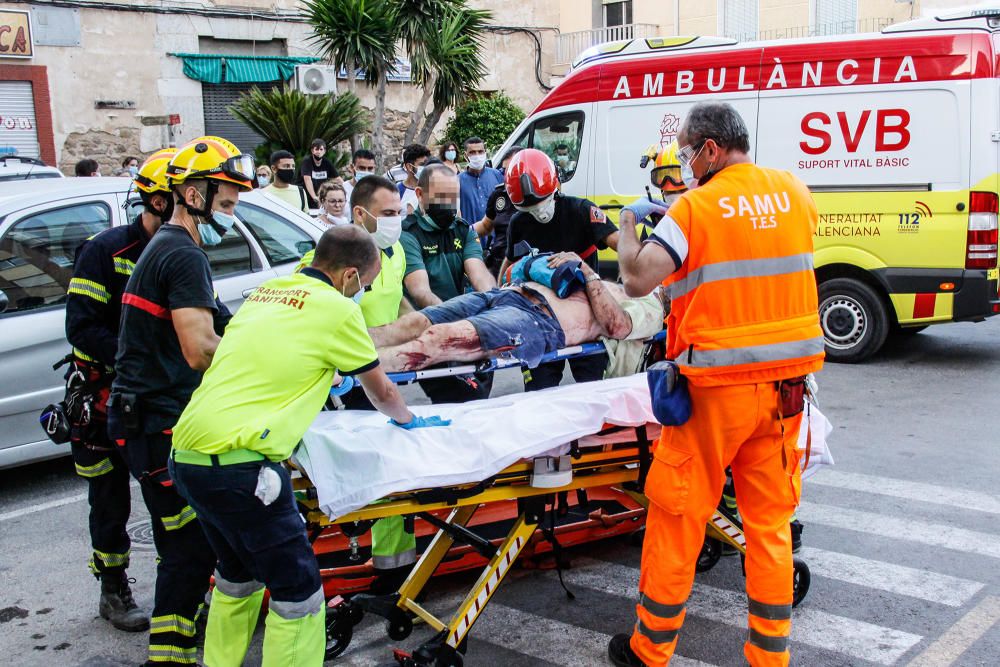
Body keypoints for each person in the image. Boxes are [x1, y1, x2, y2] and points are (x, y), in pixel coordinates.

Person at [607, 102, 825, 667]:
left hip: (714, 393)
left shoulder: (695, 207)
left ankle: (649, 652)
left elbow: (634, 278)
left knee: (679, 519)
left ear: (707, 149)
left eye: (685, 152)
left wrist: (629, 226)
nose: (682, 163)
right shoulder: (795, 192)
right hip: (785, 392)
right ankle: (769, 656)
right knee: (770, 526)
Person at [169, 224, 444, 667]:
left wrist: (320, 373)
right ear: (350, 276)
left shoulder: (267, 291)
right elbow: (383, 393)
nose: (363, 292)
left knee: (236, 576)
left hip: (188, 455)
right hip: (242, 469)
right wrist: (410, 420)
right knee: (298, 593)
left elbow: (266, 356)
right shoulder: (337, 309)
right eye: (367, 285)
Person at [108, 135, 256, 667]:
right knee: (192, 545)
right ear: (192, 195)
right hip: (156, 422)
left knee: (188, 544)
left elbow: (220, 326)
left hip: (144, 419)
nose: (231, 219)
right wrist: (261, 369)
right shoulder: (183, 254)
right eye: (226, 205)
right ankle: (169, 657)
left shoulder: (169, 248)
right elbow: (200, 350)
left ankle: (175, 648)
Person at [62, 149, 176, 633]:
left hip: (158, 400)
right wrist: (139, 359)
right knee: (109, 501)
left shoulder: (181, 254)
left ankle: (180, 590)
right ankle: (113, 590)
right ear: (154, 201)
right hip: (105, 397)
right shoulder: (105, 252)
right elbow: (81, 327)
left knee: (171, 504)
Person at [297, 176, 415, 588]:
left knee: (387, 471)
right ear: (360, 214)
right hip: (342, 383)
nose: (395, 222)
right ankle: (316, 551)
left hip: (378, 373)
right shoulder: (326, 260)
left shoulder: (395, 251)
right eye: (387, 215)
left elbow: (395, 296)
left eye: (398, 213)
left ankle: (392, 567)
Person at [371, 250, 664, 379]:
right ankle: (336, 346)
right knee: (415, 321)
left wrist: (587, 273)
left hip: (540, 320)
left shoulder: (653, 308)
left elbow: (617, 326)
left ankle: (348, 367)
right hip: (510, 294)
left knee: (439, 338)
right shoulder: (619, 286)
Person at [500, 148, 621, 392]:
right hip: (540, 323)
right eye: (529, 208)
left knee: (594, 390)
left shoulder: (581, 211)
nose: (538, 212)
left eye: (542, 203)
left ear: (556, 188)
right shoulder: (519, 222)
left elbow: (625, 247)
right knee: (539, 395)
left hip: (586, 317)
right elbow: (508, 267)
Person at [400, 163, 497, 404]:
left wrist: (496, 303)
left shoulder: (463, 230)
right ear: (421, 195)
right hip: (428, 331)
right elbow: (420, 291)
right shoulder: (408, 235)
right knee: (452, 400)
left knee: (477, 400)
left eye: (453, 198)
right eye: (441, 197)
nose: (448, 204)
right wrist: (454, 325)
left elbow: (479, 273)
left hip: (465, 327)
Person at [473, 145, 523, 277]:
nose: (507, 175)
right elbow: (485, 225)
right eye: (504, 171)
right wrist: (462, 231)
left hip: (523, 268)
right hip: (497, 265)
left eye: (512, 170)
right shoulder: (499, 194)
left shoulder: (537, 197)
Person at [458, 136, 503, 225]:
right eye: (472, 152)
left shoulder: (496, 175)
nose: (477, 155)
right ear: (465, 155)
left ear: (485, 153)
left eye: (480, 151)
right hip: (471, 235)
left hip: (495, 236)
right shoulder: (457, 181)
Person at [299, 138, 339, 208]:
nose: (319, 152)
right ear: (312, 151)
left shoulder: (327, 163)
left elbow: (338, 179)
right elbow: (307, 179)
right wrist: (314, 196)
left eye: (321, 149)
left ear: (324, 151)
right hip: (306, 196)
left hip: (320, 198)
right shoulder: (307, 162)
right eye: (316, 149)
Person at [399, 143, 431, 216]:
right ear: (409, 166)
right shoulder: (397, 191)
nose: (426, 168)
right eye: (422, 164)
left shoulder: (434, 189)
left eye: (428, 164)